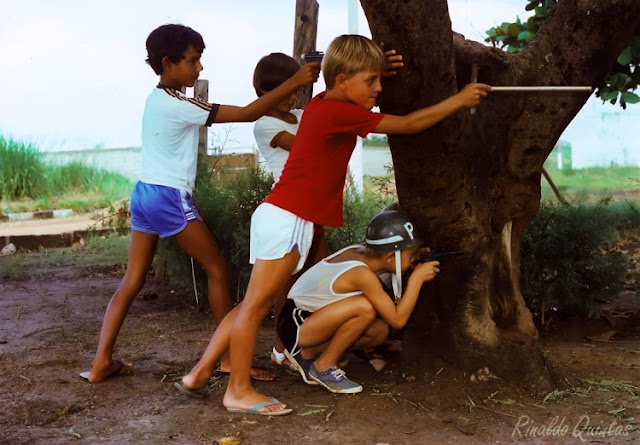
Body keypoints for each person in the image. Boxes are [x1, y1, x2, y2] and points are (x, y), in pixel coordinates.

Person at [178, 34, 489, 416]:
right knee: (256, 307)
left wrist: (372, 70)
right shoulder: (340, 112)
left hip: (279, 214)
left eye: (379, 80)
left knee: (250, 304)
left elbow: (350, 84)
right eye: (370, 81)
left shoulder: (324, 103)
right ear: (342, 80)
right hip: (289, 218)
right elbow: (407, 124)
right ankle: (238, 390)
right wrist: (459, 100)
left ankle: (199, 373)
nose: (378, 89)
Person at [80, 24, 319, 384]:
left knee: (132, 279)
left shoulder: (154, 99)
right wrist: (297, 80)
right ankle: (226, 360)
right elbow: (249, 113)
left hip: (145, 193)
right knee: (219, 270)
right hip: (167, 197)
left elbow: (168, 158)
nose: (200, 68)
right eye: (193, 61)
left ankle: (101, 362)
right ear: (168, 63)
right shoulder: (180, 104)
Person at [279, 210, 438, 393]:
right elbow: (397, 320)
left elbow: (396, 260)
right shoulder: (361, 274)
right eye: (412, 255)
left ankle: (308, 353)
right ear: (389, 257)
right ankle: (323, 366)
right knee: (365, 307)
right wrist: (416, 279)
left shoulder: (364, 252)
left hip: (312, 320)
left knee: (379, 332)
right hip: (296, 323)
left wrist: (413, 256)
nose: (414, 259)